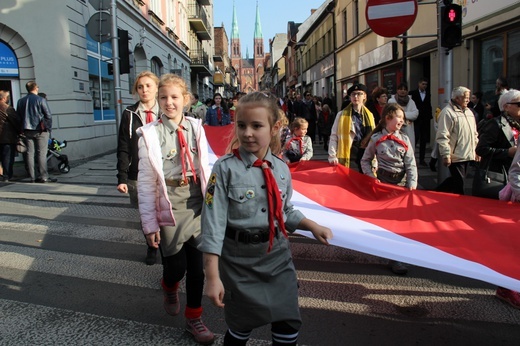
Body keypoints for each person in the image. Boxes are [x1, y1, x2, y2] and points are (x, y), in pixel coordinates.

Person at [199, 91, 332, 346]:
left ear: (275, 128)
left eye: (256, 126)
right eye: (241, 125)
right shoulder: (224, 168)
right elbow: (213, 224)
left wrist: (311, 225)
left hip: (277, 258)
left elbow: (284, 210)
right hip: (239, 262)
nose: (247, 132)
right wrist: (212, 276)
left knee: (288, 324)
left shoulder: (280, 168)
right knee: (240, 328)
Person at [136, 73, 214, 344]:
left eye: (174, 97)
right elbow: (146, 184)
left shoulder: (197, 128)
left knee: (197, 270)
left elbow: (207, 169)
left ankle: (194, 318)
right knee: (176, 268)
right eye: (163, 98)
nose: (169, 103)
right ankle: (169, 285)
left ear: (186, 100)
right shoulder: (149, 135)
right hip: (169, 205)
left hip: (195, 204)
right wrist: (149, 225)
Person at [361, 103, 417, 275]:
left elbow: (411, 164)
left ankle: (397, 253)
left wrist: (412, 183)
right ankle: (395, 258)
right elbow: (365, 160)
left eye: (402, 118)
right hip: (383, 184)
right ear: (388, 118)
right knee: (389, 222)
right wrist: (372, 178)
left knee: (400, 221)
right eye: (399, 117)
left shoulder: (405, 139)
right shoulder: (376, 138)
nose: (402, 120)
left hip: (401, 185)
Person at [116, 71, 160, 265]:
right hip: (138, 173)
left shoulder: (166, 111)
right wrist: (122, 177)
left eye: (148, 85)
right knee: (146, 212)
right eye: (140, 87)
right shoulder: (129, 114)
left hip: (163, 172)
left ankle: (166, 245)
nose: (144, 90)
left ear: (156, 88)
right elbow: (123, 147)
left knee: (165, 209)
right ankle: (151, 246)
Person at [495, 90, 520, 310]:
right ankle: (507, 287)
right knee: (513, 244)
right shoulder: (495, 123)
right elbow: (516, 171)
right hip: (514, 194)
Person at [474, 89, 520, 199]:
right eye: (518, 104)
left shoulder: (517, 124)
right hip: (500, 176)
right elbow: (481, 149)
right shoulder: (495, 124)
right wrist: (507, 152)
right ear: (506, 107)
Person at [435, 86, 478, 195]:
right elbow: (442, 135)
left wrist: (476, 150)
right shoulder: (447, 113)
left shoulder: (469, 112)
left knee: (456, 180)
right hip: (456, 155)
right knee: (460, 184)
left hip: (467, 153)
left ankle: (436, 193)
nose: (468, 100)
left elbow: (474, 133)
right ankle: (461, 206)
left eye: (468, 97)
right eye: (466, 97)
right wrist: (446, 154)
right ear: (457, 98)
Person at [328, 83, 375, 171]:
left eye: (359, 94)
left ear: (364, 96)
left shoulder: (370, 115)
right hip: (349, 153)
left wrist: (375, 161)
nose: (356, 96)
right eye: (353, 94)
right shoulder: (341, 114)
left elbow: (374, 138)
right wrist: (332, 155)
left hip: (365, 153)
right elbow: (334, 136)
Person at [16, 81, 56, 183]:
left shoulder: (20, 101)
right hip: (40, 130)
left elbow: (18, 117)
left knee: (30, 153)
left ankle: (32, 177)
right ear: (35, 88)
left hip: (27, 130)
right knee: (41, 153)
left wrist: (21, 129)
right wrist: (48, 128)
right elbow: (48, 116)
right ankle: (44, 176)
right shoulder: (41, 100)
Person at [409, 78, 433, 166]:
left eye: (425, 84)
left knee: (423, 140)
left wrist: (429, 116)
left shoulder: (427, 94)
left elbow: (428, 105)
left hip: (425, 119)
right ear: (419, 84)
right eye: (423, 84)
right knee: (415, 138)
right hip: (416, 119)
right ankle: (412, 158)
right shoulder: (413, 93)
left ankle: (422, 159)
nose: (424, 86)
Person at [388, 83, 419, 150]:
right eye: (401, 89)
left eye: (405, 89)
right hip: (395, 129)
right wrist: (407, 116)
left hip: (408, 130)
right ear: (397, 90)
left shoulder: (411, 102)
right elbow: (392, 114)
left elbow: (415, 114)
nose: (403, 91)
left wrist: (403, 115)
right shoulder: (391, 101)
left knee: (408, 149)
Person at [0, 90, 22, 182]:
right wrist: (20, 132)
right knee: (7, 158)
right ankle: (6, 176)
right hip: (6, 138)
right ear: (4, 98)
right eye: (8, 97)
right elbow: (16, 122)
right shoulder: (8, 108)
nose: (9, 99)